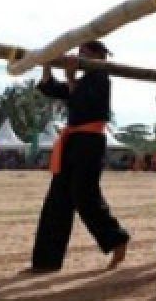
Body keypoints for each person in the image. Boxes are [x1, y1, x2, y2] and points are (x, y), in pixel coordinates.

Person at [28, 40, 130, 273]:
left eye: (85, 53)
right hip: (73, 141)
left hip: (90, 142)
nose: (79, 55)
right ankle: (46, 261)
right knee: (58, 199)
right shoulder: (83, 80)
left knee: (84, 195)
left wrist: (71, 78)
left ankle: (116, 238)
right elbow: (51, 88)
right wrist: (47, 63)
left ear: (98, 56)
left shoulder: (102, 78)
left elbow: (82, 99)